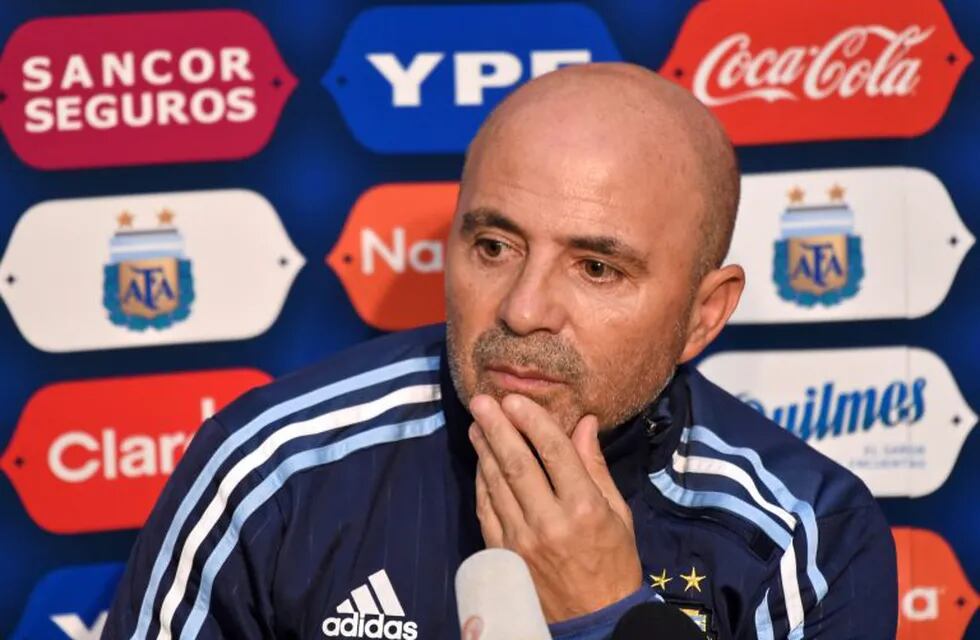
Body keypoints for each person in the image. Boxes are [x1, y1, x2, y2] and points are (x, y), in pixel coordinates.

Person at [104, 63, 897, 640]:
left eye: (597, 268)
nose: (522, 309)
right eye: (493, 245)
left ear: (703, 314)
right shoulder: (271, 470)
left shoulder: (808, 539)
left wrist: (611, 615)